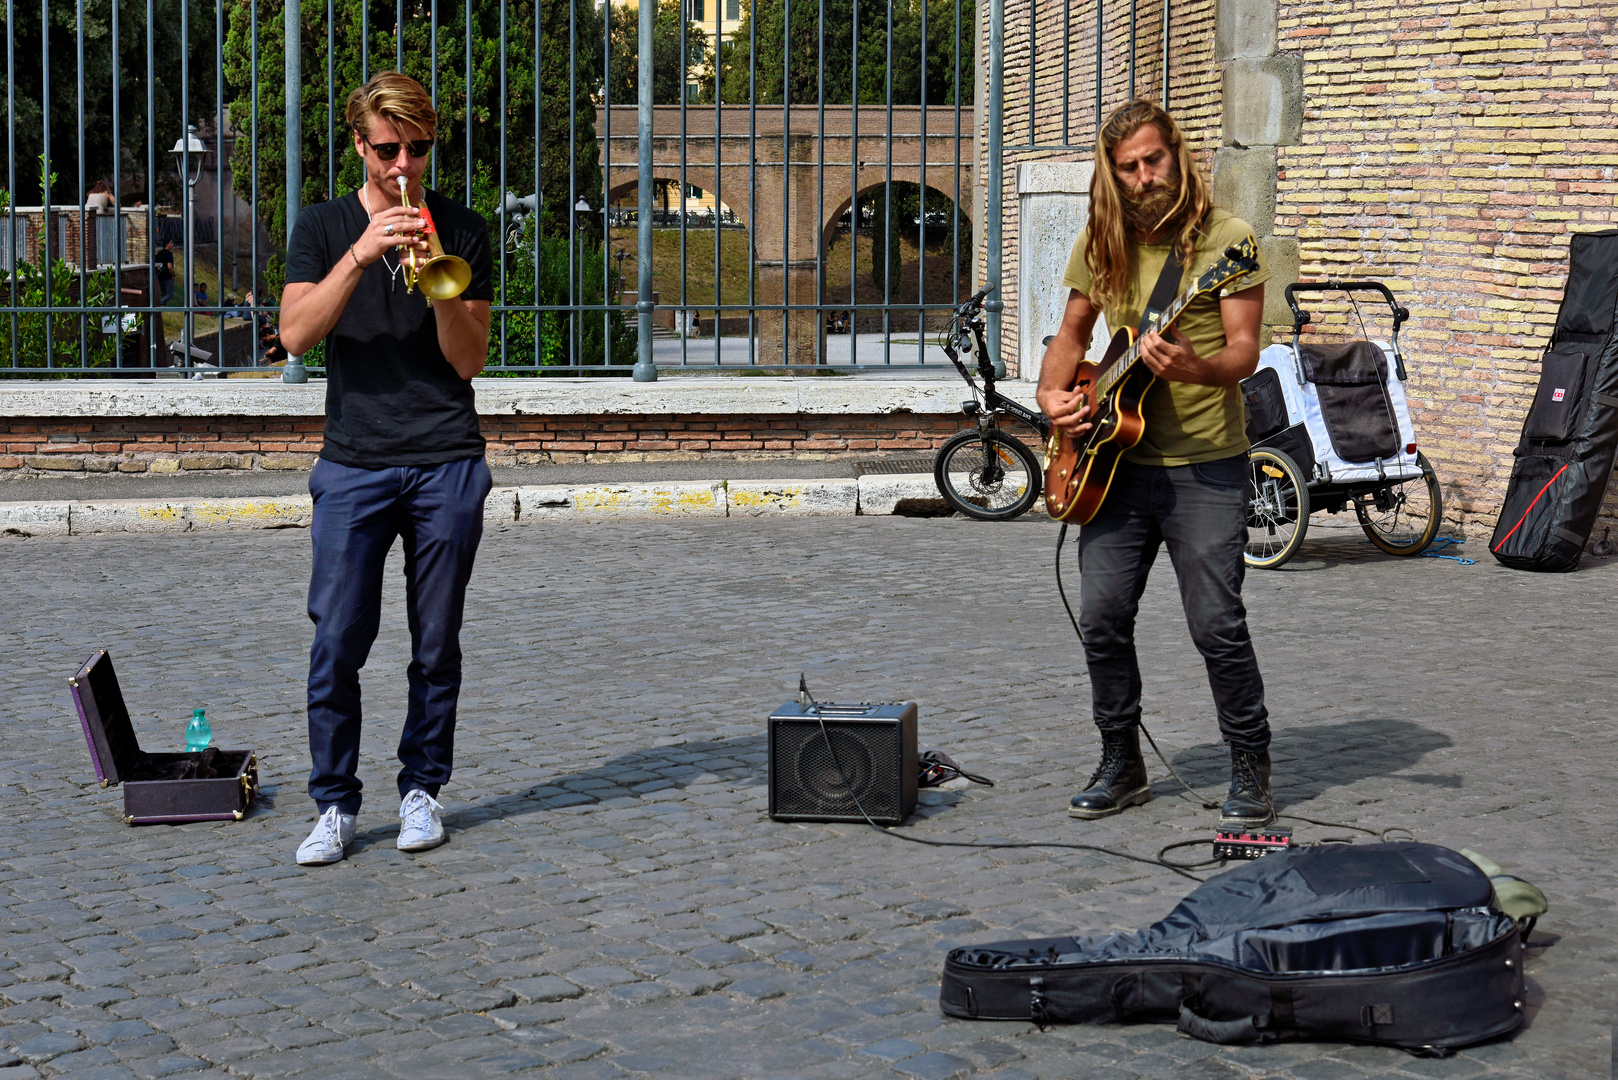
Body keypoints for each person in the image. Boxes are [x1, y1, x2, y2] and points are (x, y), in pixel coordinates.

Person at [1036, 100, 1276, 828]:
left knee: (1216, 624)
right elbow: (1071, 337)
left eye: (1154, 160)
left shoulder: (1229, 242)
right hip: (1112, 465)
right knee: (1103, 618)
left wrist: (1193, 367)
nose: (1145, 178)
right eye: (1129, 168)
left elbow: (1244, 353)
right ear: (1113, 177)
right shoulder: (1101, 242)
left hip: (1206, 465)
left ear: (1177, 154)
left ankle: (1249, 763)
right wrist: (1054, 395)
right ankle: (1122, 762)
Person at [279, 71, 494, 866]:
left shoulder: (463, 231)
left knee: (436, 642)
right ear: (359, 145)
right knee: (337, 638)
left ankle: (421, 792)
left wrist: (434, 272)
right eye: (388, 149)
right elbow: (296, 336)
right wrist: (363, 256)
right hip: (354, 463)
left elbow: (467, 361)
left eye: (418, 148)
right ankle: (334, 804)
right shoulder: (323, 225)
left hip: (446, 460)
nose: (404, 164)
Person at [154, 240, 176, 306]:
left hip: (160, 275)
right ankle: (160, 302)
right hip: (168, 276)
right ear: (167, 244)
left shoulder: (160, 253)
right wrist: (173, 274)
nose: (172, 244)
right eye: (171, 243)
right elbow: (169, 266)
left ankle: (163, 306)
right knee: (170, 294)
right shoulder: (169, 254)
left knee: (163, 292)